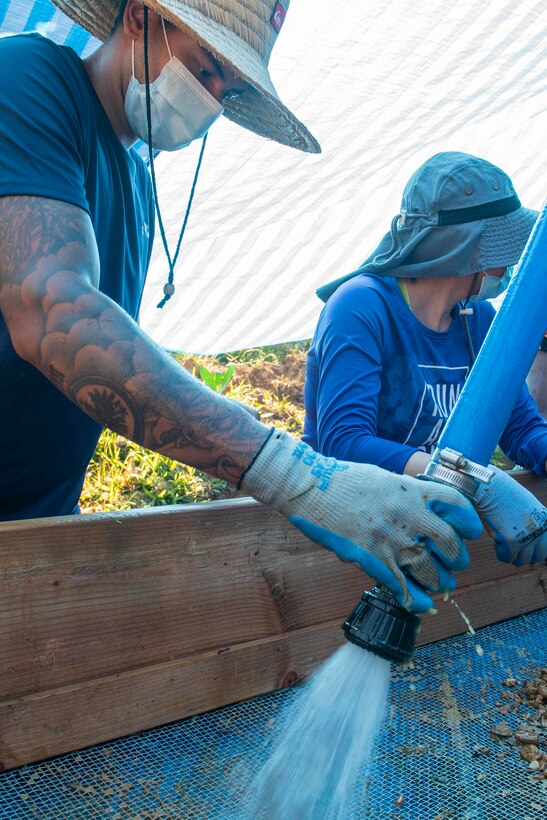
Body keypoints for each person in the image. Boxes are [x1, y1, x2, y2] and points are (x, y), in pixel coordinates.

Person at [0, 1, 483, 614]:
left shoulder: (137, 190)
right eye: (206, 70)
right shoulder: (27, 80)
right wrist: (295, 475)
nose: (211, 102)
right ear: (142, 18)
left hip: (31, 530)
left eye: (226, 91)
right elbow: (54, 316)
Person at [303, 151, 547, 568]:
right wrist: (475, 483)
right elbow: (344, 443)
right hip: (350, 537)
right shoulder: (361, 307)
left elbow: (521, 427)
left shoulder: (479, 320)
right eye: (502, 248)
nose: (509, 265)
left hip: (430, 536)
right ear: (464, 249)